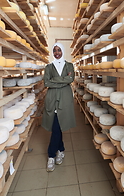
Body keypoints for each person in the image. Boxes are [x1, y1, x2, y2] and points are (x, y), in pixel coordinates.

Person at [42, 42, 76, 172]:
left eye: (59, 50)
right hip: (52, 98)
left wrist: (54, 81)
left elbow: (71, 79)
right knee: (56, 126)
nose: (57, 53)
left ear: (63, 51)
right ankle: (56, 152)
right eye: (55, 50)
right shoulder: (48, 66)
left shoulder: (69, 65)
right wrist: (63, 80)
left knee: (58, 126)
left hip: (65, 99)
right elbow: (46, 82)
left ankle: (55, 153)